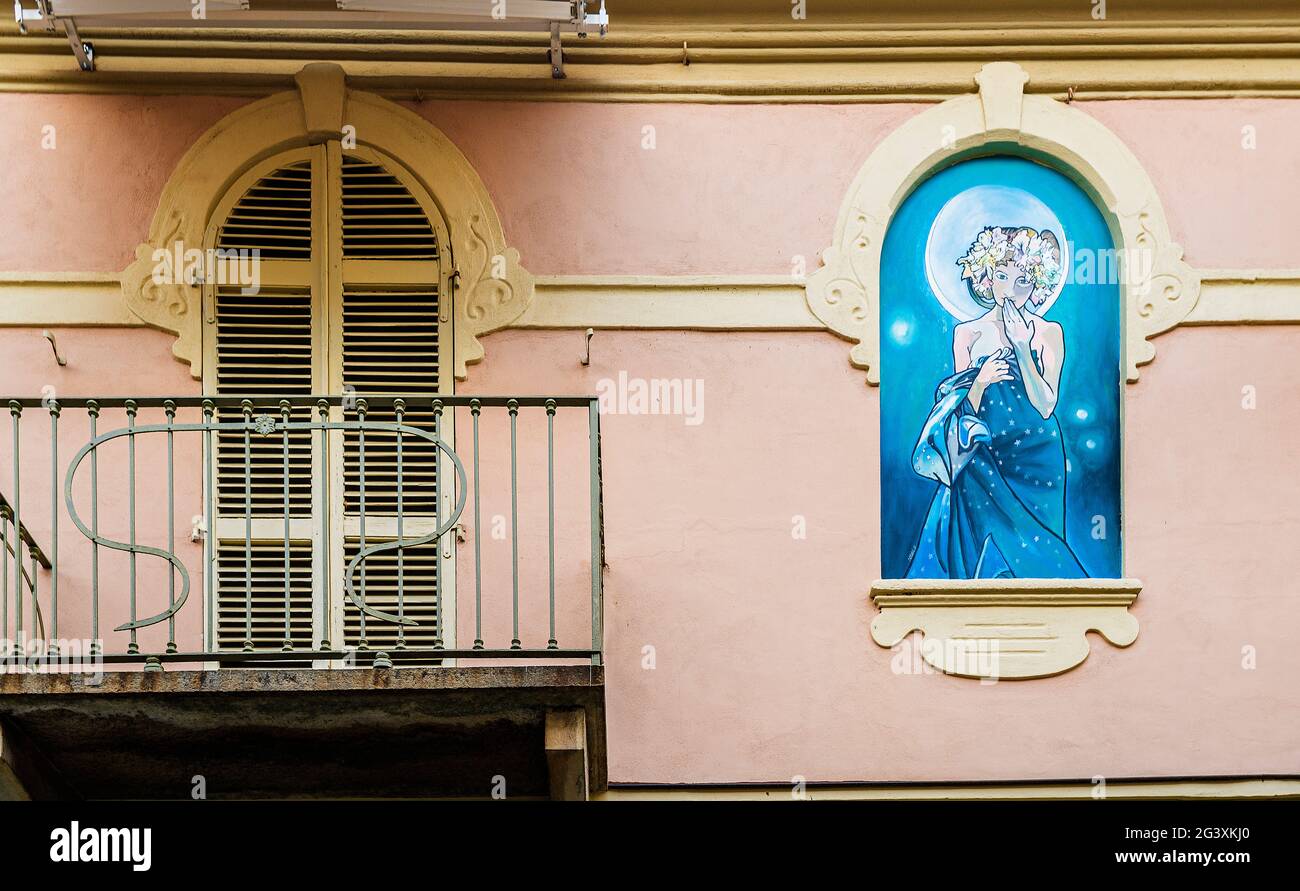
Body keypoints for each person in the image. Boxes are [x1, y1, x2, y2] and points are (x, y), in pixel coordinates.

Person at [905, 225, 1087, 579]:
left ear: (1037, 283)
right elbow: (960, 411)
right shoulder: (967, 334)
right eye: (1002, 276)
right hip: (984, 447)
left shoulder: (1048, 332)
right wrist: (982, 379)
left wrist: (1022, 347)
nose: (1011, 290)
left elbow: (1046, 404)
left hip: (1037, 455)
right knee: (982, 538)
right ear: (986, 277)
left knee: (1038, 547)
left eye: (1023, 281)